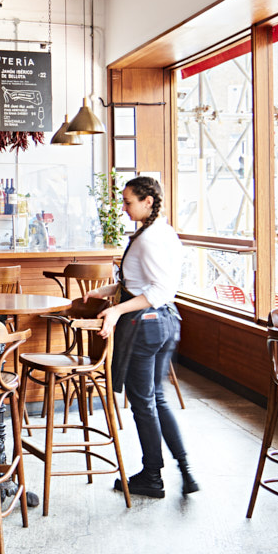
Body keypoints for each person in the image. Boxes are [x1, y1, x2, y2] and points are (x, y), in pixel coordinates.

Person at [85, 176, 196, 499]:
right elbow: (145, 283)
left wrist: (118, 311)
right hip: (165, 322)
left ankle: (151, 476)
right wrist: (107, 291)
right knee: (156, 399)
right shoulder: (162, 231)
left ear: (148, 201)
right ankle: (185, 470)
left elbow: (158, 290)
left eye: (128, 201)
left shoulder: (148, 239)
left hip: (145, 325)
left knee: (143, 403)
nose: (123, 207)